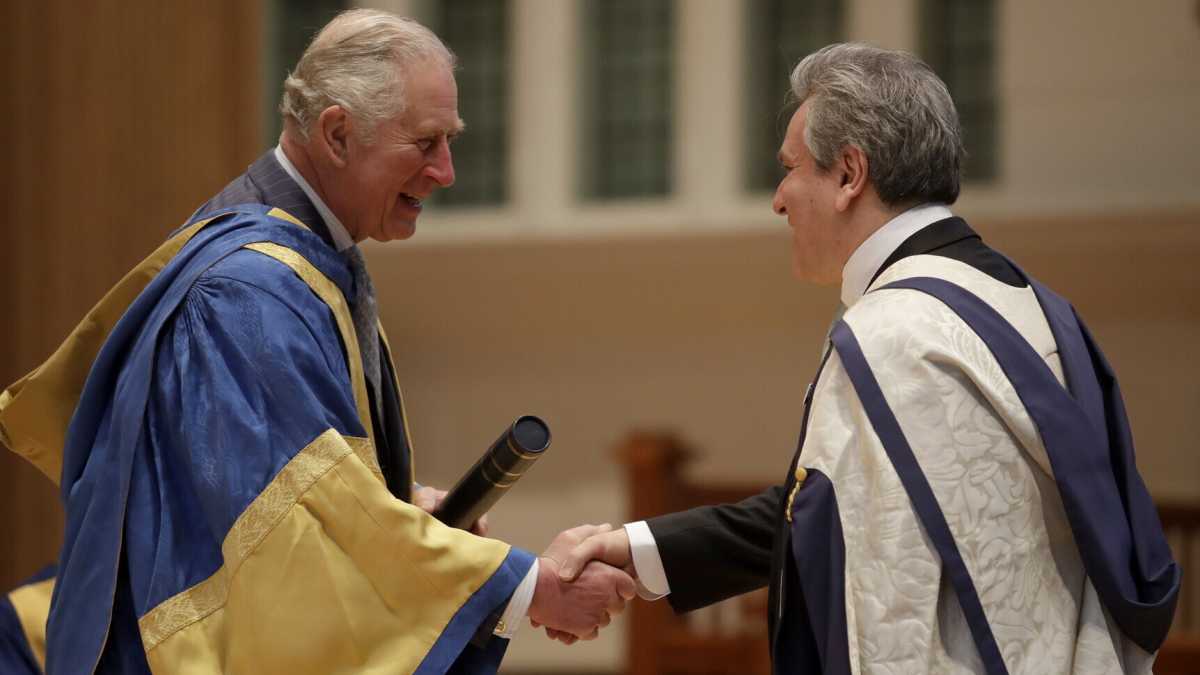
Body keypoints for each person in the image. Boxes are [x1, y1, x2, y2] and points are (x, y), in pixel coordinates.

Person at [0, 9, 633, 674]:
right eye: (425, 143)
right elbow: (296, 532)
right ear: (337, 133)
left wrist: (399, 500)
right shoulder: (246, 291)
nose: (446, 171)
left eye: (450, 141)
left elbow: (276, 477)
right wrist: (527, 585)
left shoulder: (304, 261)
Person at [555, 43, 1179, 673]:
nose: (778, 198)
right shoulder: (1030, 302)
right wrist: (637, 548)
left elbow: (890, 596)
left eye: (792, 168)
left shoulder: (897, 332)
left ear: (850, 174)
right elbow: (833, 513)